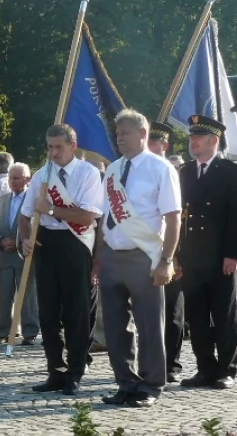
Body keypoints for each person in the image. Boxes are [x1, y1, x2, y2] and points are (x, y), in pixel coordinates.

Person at [97, 110, 181, 408]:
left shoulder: (160, 168)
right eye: (117, 133)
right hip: (112, 256)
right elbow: (104, 217)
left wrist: (166, 260)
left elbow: (173, 218)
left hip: (144, 256)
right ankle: (126, 382)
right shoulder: (112, 170)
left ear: (143, 134)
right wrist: (98, 258)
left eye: (126, 133)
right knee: (115, 327)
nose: (120, 138)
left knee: (149, 325)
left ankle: (151, 385)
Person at [21, 124, 104, 395]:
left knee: (76, 312)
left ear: (72, 145)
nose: (54, 153)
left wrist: (51, 209)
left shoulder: (88, 173)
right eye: (50, 147)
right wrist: (25, 238)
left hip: (76, 245)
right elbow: (25, 214)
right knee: (48, 312)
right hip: (46, 244)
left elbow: (87, 216)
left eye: (59, 146)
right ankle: (55, 370)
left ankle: (75, 371)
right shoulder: (42, 175)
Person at [177, 114, 237, 389]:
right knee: (197, 315)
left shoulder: (229, 171)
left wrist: (232, 254)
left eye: (198, 138)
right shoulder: (185, 171)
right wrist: (176, 255)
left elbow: (235, 216)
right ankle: (204, 368)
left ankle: (227, 368)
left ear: (214, 140)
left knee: (224, 314)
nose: (193, 142)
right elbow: (178, 215)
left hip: (220, 256)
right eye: (191, 137)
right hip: (191, 256)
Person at [148, 120, 186, 382]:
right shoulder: (137, 173)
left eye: (155, 142)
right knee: (147, 312)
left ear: (165, 145)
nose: (151, 146)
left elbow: (181, 219)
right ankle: (150, 362)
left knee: (172, 311)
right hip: (144, 251)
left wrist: (176, 256)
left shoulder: (176, 175)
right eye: (148, 141)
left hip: (170, 253)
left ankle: (170, 364)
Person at [0, 163, 39, 344]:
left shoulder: (33, 201)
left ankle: (30, 332)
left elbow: (36, 227)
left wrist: (19, 242)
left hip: (24, 255)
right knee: (4, 295)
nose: (12, 181)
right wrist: (1, 240)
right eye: (10, 178)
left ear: (27, 179)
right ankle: (4, 331)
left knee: (27, 295)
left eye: (17, 178)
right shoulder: (1, 200)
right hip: (4, 256)